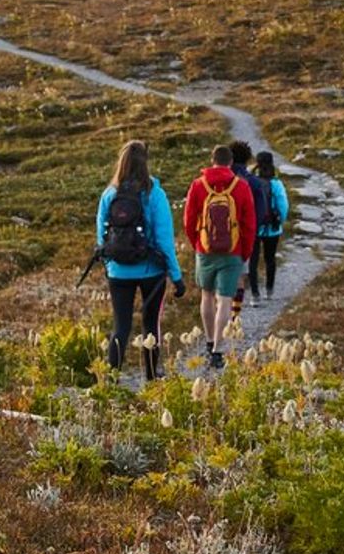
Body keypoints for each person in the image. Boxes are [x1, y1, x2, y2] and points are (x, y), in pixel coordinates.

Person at [95, 140, 183, 380]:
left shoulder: (109, 194)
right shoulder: (155, 194)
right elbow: (164, 240)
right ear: (146, 162)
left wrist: (110, 266)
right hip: (151, 272)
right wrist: (176, 276)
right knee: (150, 324)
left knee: (120, 327)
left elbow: (101, 237)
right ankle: (152, 377)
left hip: (118, 272)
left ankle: (111, 380)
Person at [183, 144, 255, 370]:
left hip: (205, 250)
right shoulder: (241, 186)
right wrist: (244, 252)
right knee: (225, 300)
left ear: (211, 160)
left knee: (206, 296)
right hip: (233, 251)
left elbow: (188, 220)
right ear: (230, 162)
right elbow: (249, 224)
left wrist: (197, 243)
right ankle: (217, 351)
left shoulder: (198, 185)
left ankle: (208, 340)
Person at [227, 141, 270, 312]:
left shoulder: (221, 180)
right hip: (246, 233)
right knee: (248, 266)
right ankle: (247, 301)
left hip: (218, 233)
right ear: (247, 159)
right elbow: (261, 212)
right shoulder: (254, 182)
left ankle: (221, 306)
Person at [251, 150, 290, 299]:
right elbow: (283, 206)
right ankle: (269, 290)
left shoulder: (252, 182)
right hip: (272, 228)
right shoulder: (277, 184)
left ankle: (254, 294)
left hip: (254, 227)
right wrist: (280, 221)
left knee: (253, 261)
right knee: (270, 259)